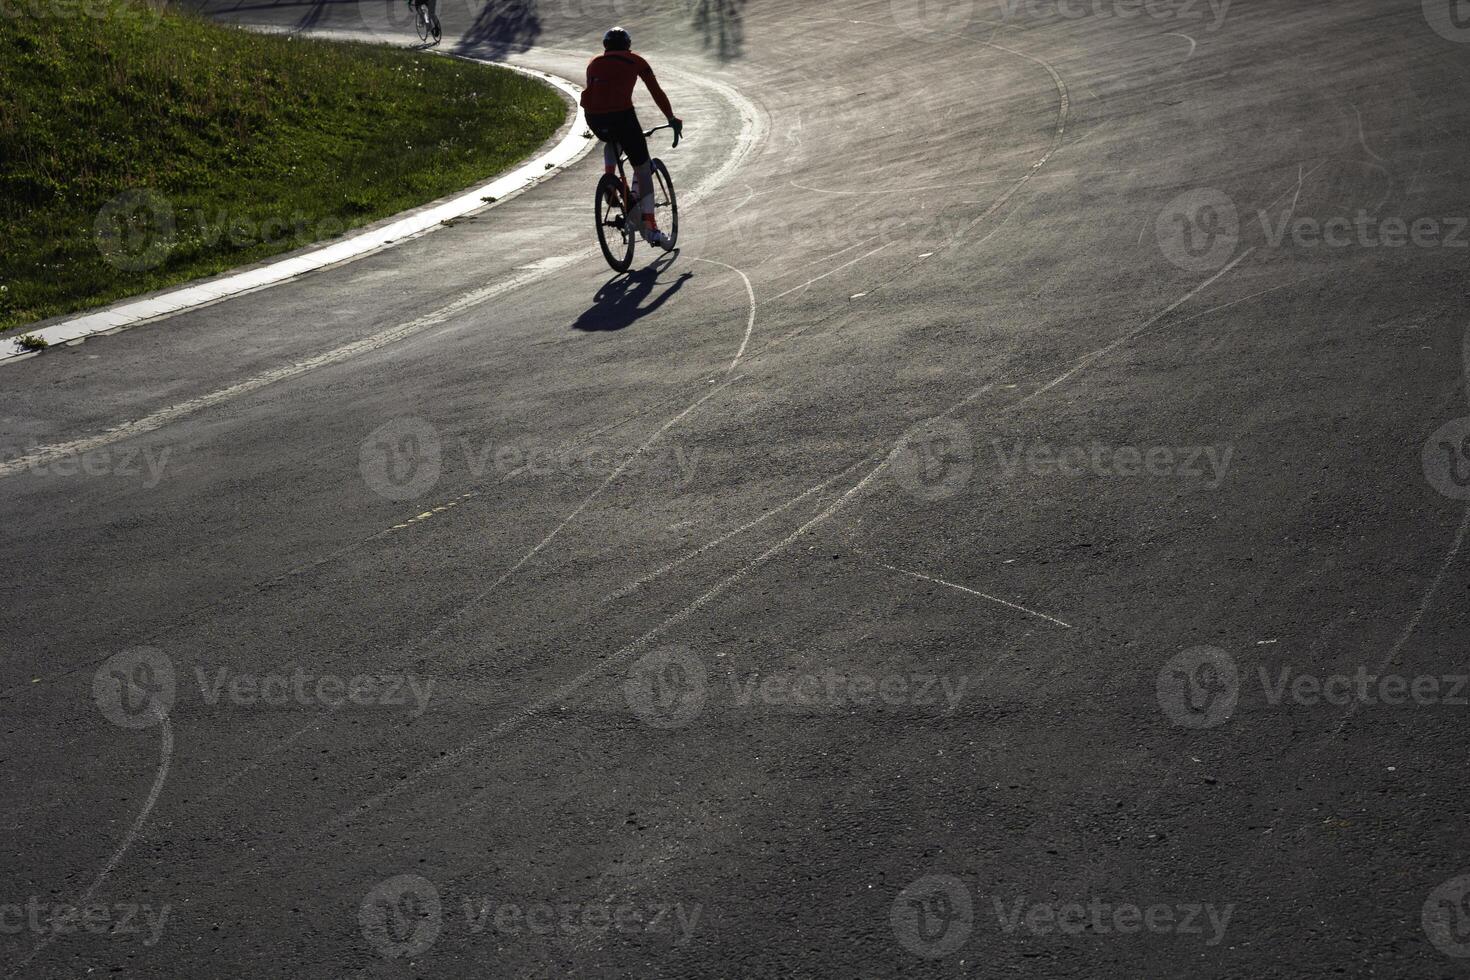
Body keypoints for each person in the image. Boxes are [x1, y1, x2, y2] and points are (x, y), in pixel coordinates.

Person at [582, 27, 683, 250]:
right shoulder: (635, 60)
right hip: (622, 116)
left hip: (594, 118)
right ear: (628, 45)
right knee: (643, 167)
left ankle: (610, 179)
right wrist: (671, 118)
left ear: (605, 47)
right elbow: (656, 91)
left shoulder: (594, 62)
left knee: (612, 140)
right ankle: (650, 225)